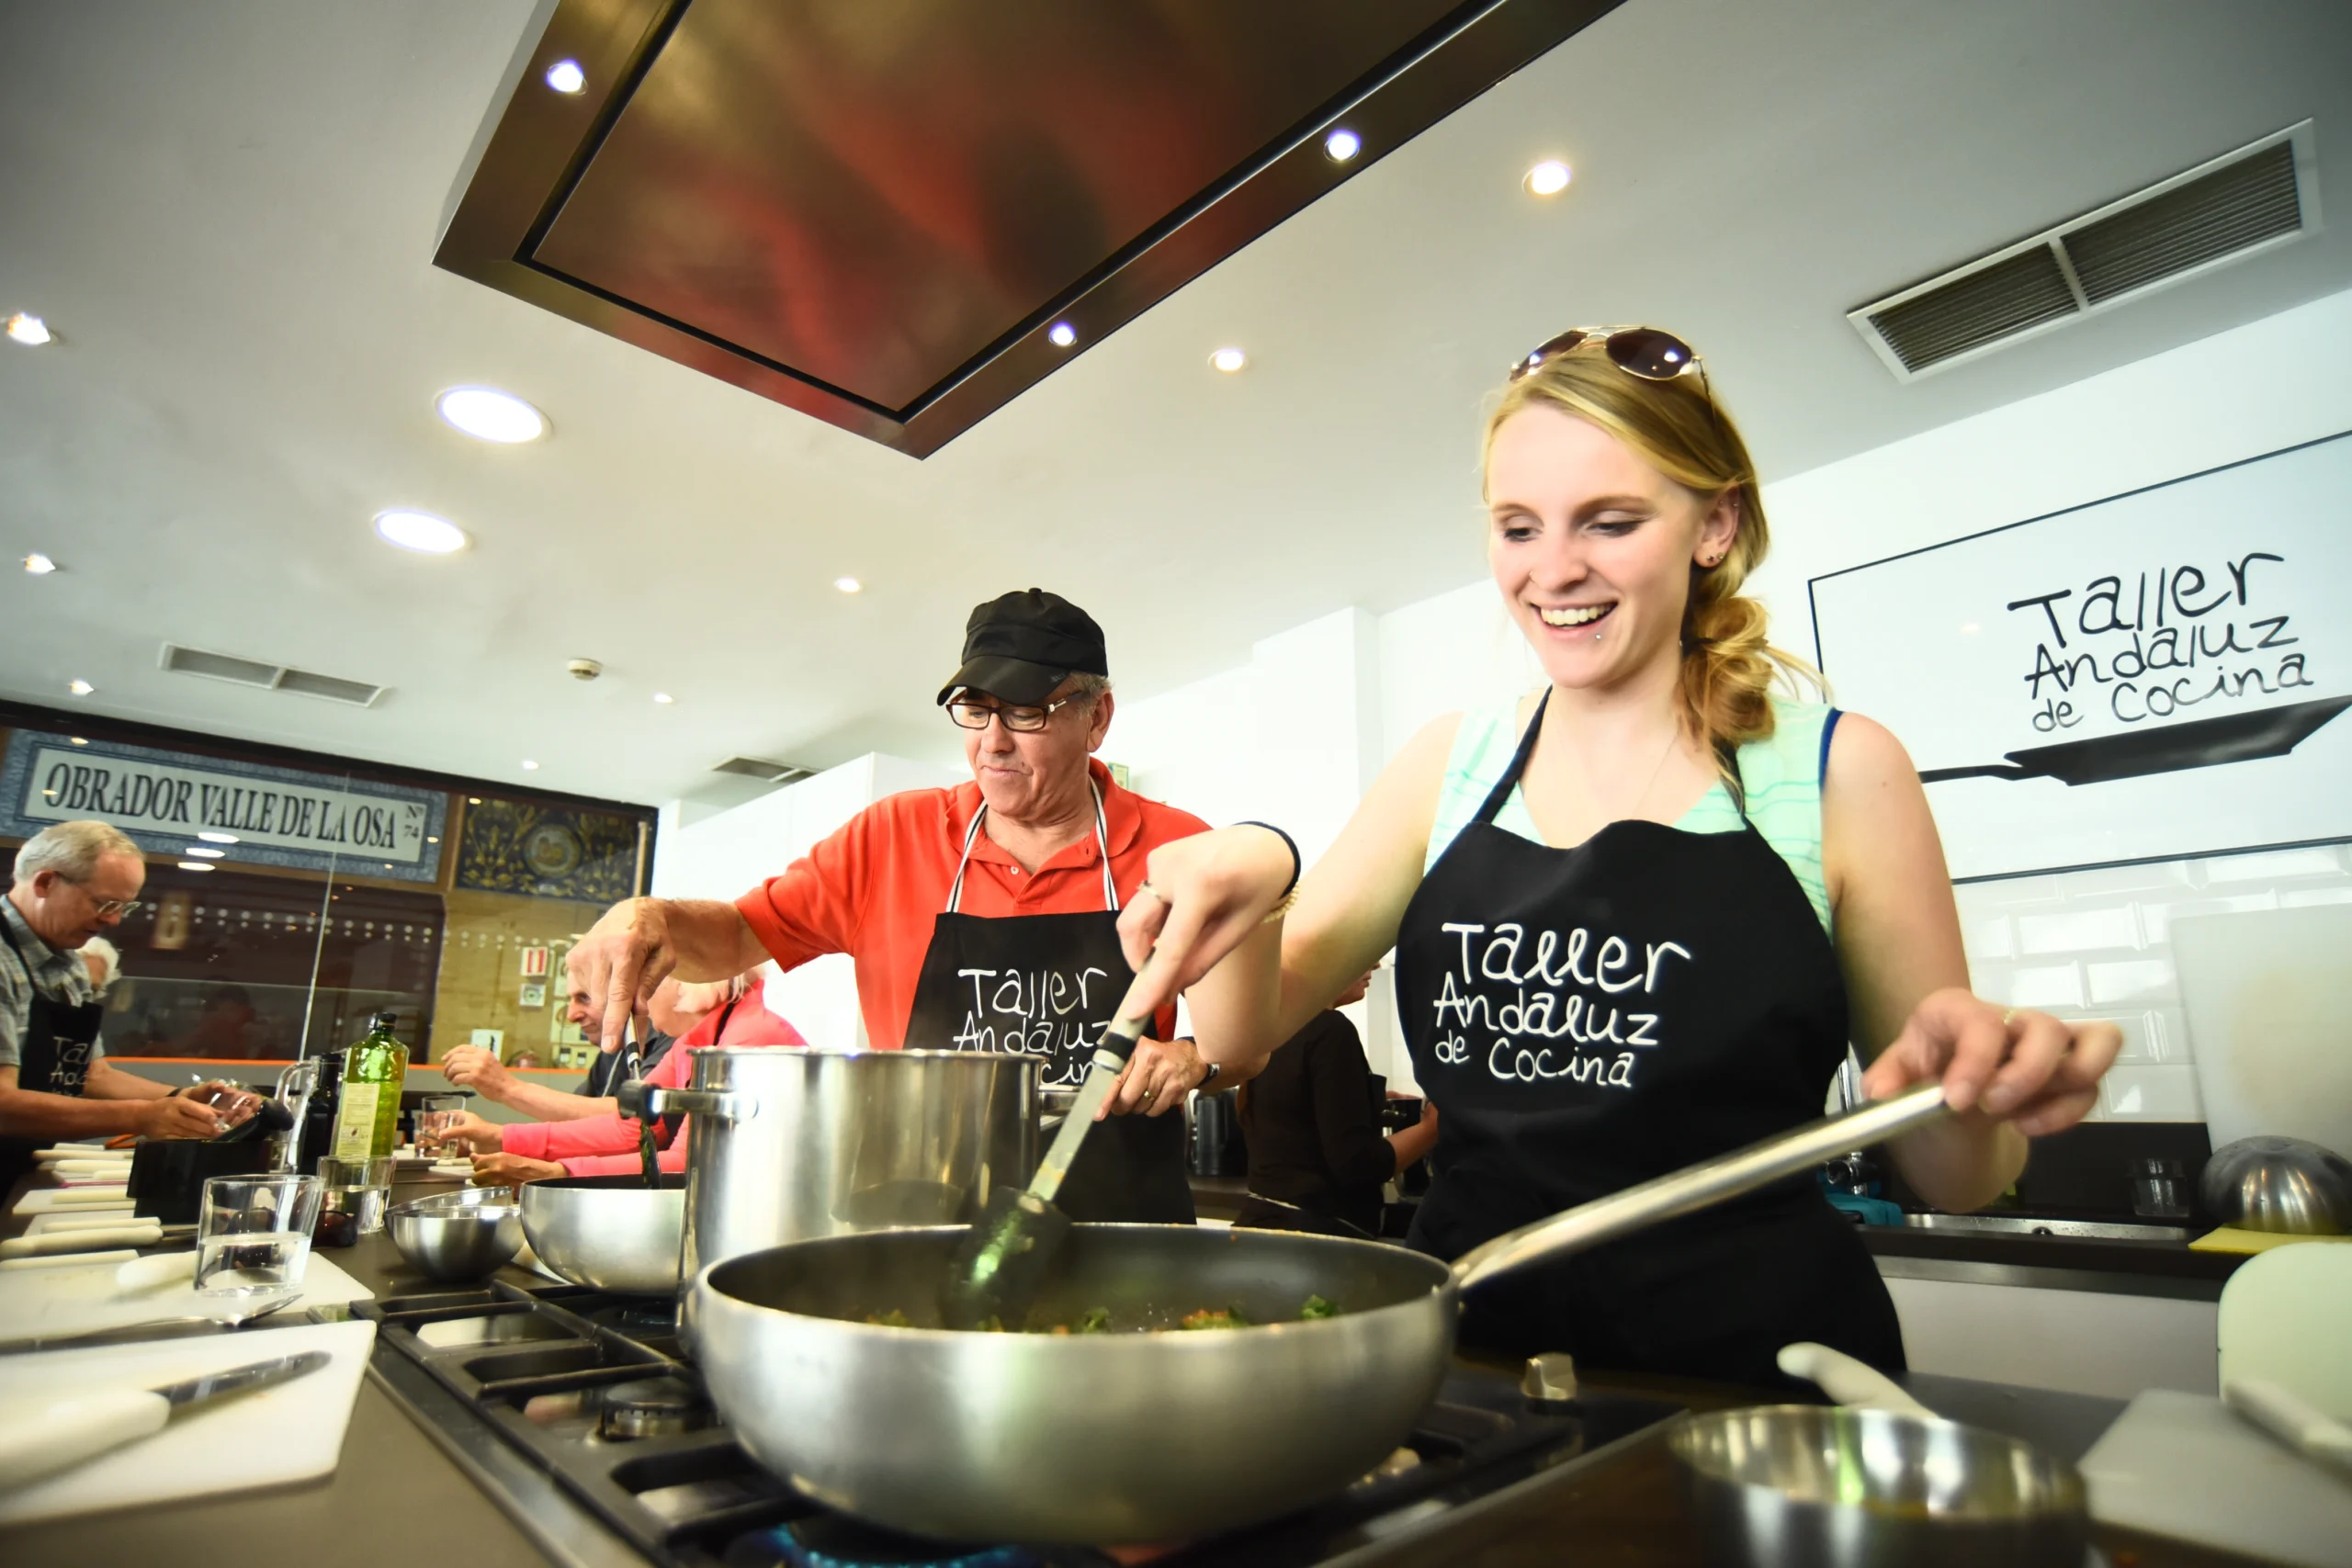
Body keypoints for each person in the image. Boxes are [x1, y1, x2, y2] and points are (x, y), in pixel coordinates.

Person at [1111, 327, 2121, 1384]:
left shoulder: (1836, 774)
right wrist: (1257, 867)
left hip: (1752, 1384)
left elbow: (1953, 1178)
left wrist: (1971, 1093)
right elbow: (1240, 1036)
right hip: (1473, 1372)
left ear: (1713, 524)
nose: (1554, 571)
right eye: (1517, 526)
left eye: (1610, 521)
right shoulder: (1449, 764)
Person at [567, 589, 1277, 1224]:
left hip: (1123, 1222)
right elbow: (737, 937)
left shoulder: (1179, 847)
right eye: (975, 709)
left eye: (1027, 712)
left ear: (1098, 718)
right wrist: (646, 915)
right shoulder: (890, 837)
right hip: (921, 1220)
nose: (991, 743)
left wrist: (1193, 1057)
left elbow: (1243, 1045)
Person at [1, 821, 259, 1190]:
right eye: (103, 903)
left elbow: (91, 1075)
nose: (114, 920)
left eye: (124, 906)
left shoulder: (68, 962)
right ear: (45, 883)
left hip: (19, 1170)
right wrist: (142, 1115)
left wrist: (180, 1099)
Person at [441, 972, 804, 1182]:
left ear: (683, 981)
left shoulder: (746, 1038)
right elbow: (632, 1128)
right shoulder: (696, 1039)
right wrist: (501, 1138)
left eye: (643, 986)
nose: (635, 1002)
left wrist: (559, 1173)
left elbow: (687, 1160)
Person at [1237, 970, 1439, 1238]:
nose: (1376, 964)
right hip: (1316, 1244)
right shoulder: (1331, 1031)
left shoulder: (1273, 1028)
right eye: (1361, 949)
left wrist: (1365, 1102)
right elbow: (1358, 1166)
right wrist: (1432, 1127)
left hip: (1265, 1230)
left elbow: (1294, 1118)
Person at [437, 961, 710, 1122]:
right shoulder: (614, 1046)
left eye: (584, 998)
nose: (571, 1015)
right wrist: (489, 1140)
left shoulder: (673, 1038)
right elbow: (574, 1121)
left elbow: (636, 1117)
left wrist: (506, 1088)